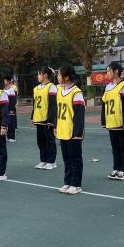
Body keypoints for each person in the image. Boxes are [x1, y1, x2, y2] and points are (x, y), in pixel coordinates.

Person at [55, 65, 85, 194]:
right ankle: (67, 182)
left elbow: (79, 114)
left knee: (75, 159)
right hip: (63, 130)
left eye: (59, 74)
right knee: (66, 159)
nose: (57, 77)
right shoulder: (60, 91)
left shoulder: (76, 92)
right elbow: (58, 110)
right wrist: (56, 126)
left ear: (66, 77)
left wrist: (78, 132)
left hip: (73, 132)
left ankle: (76, 184)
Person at [102, 62, 124, 181]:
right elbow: (105, 104)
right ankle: (116, 168)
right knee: (115, 147)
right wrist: (104, 121)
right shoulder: (108, 87)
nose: (107, 73)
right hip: (111, 122)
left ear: (115, 72)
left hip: (121, 123)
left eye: (109, 71)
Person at [31, 66, 58, 170]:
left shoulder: (51, 87)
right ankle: (44, 160)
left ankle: (52, 161)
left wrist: (51, 120)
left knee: (49, 141)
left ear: (45, 75)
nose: (38, 76)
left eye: (39, 74)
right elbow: (34, 104)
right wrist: (32, 116)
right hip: (38, 118)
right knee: (40, 141)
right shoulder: (36, 88)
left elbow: (53, 105)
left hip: (47, 119)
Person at [4, 76, 18, 142]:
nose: (4, 82)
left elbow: (13, 100)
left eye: (5, 81)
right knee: (6, 122)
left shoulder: (11, 90)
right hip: (5, 109)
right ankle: (8, 136)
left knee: (11, 123)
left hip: (10, 109)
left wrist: (11, 108)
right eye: (4, 81)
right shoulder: (3, 90)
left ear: (9, 81)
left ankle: (12, 137)